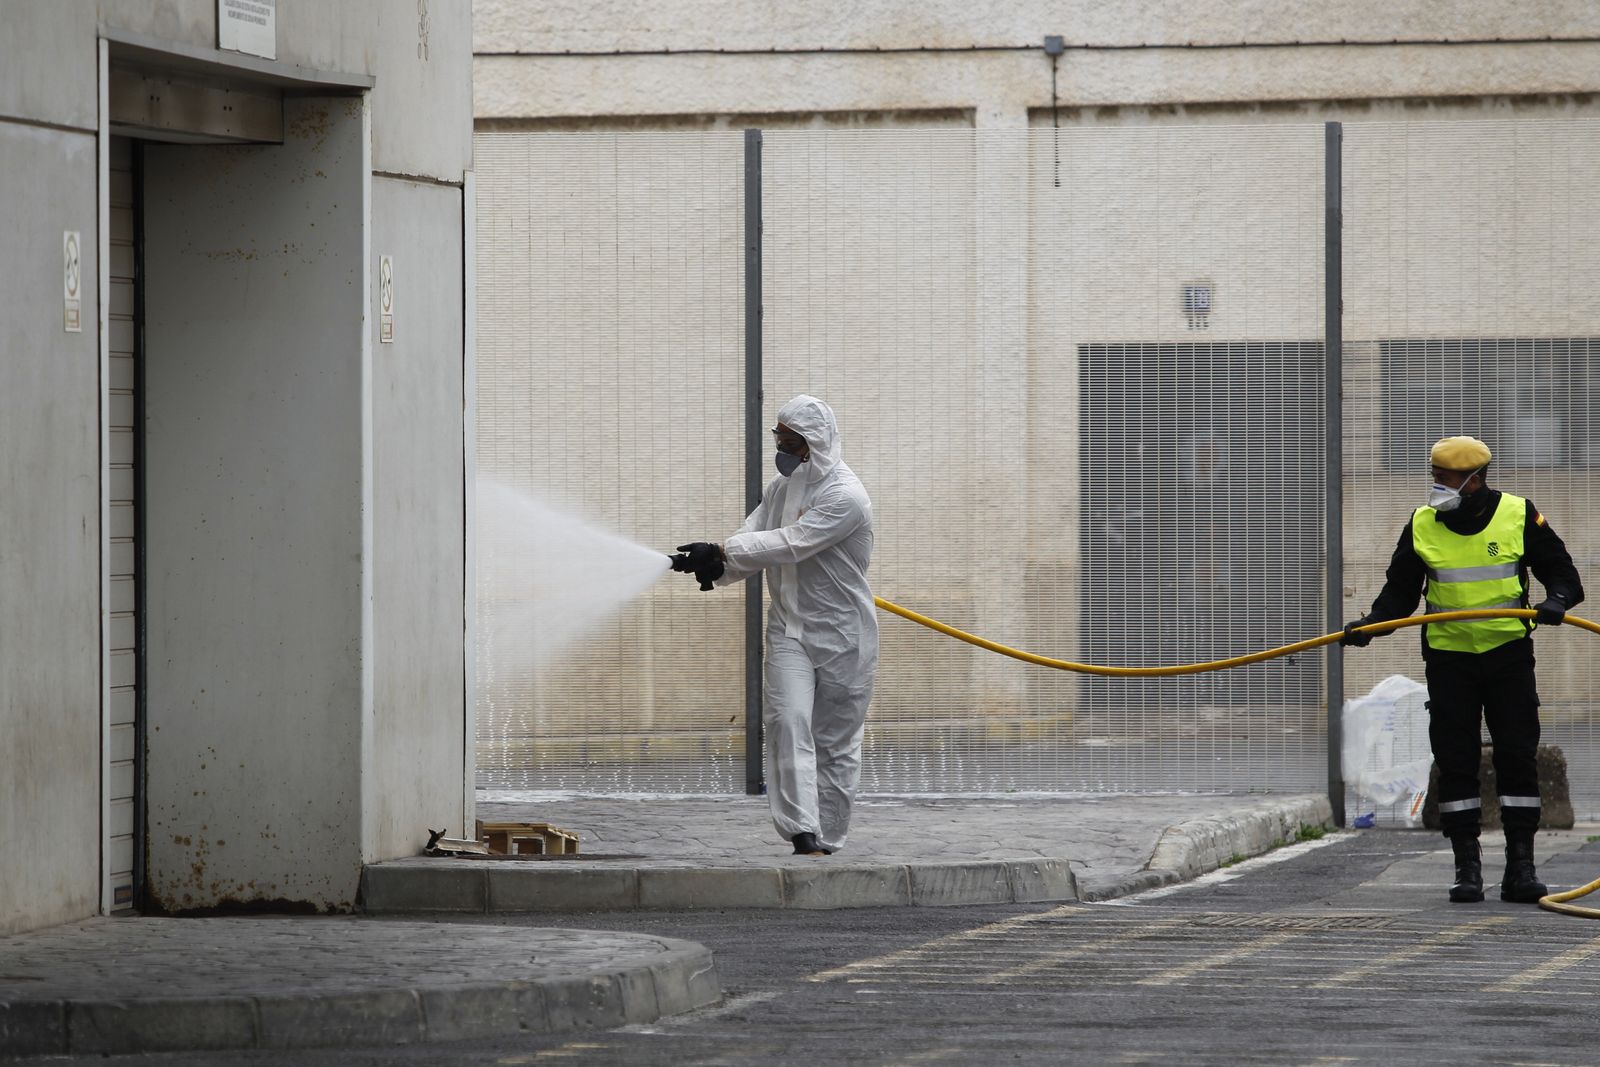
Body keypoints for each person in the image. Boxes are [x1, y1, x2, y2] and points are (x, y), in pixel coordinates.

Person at [1342, 435, 1584, 904]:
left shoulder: (1517, 514)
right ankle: (1466, 868)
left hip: (1508, 657)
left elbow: (1564, 576)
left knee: (1517, 756)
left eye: (1445, 479)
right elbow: (1399, 595)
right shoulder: (1422, 523)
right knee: (1456, 762)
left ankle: (1521, 867)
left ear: (1474, 481)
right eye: (1435, 476)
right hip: (1449, 661)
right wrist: (1371, 625)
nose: (1437, 486)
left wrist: (1555, 602)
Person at [670, 395, 878, 857]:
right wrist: (716, 565)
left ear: (814, 441)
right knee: (787, 720)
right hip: (789, 627)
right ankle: (802, 832)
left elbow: (791, 543)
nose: (781, 447)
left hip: (844, 634)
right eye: (778, 437)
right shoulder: (782, 488)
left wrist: (720, 550)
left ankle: (829, 836)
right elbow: (756, 534)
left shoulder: (846, 495)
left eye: (789, 440)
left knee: (835, 741)